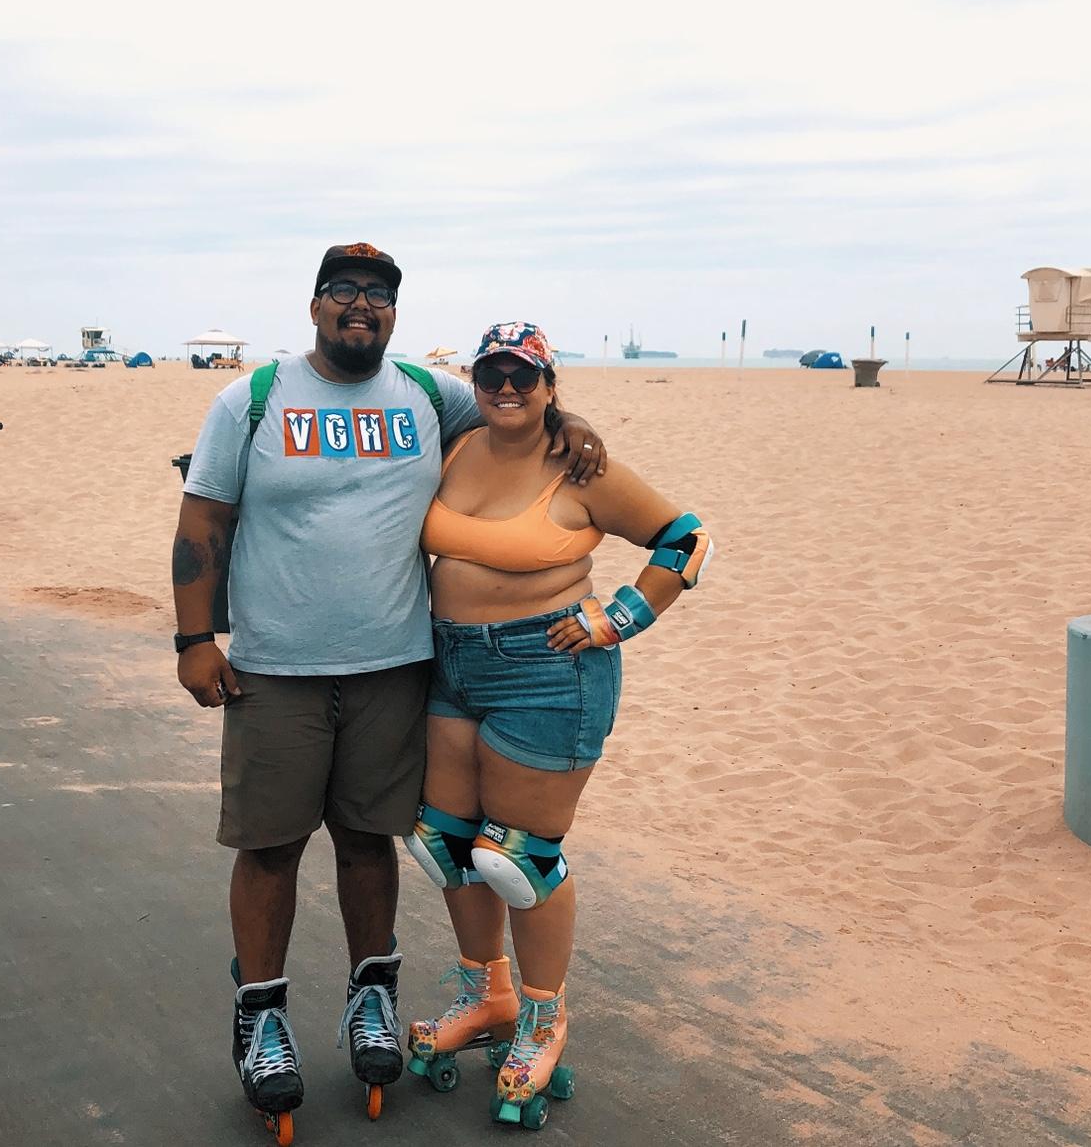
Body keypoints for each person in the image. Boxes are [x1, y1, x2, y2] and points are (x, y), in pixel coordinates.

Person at [170, 245, 607, 1134]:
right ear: (315, 307)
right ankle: (261, 1017)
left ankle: (371, 998)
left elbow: (511, 410)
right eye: (344, 293)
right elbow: (203, 518)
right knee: (268, 847)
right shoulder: (249, 399)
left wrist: (576, 423)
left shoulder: (426, 394)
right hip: (274, 673)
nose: (360, 307)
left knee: (371, 842)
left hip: (396, 670)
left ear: (395, 317)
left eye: (378, 296)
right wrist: (192, 639)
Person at [403, 321, 711, 1126]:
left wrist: (618, 618)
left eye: (524, 375)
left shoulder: (580, 464)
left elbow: (686, 538)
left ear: (549, 383)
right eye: (493, 372)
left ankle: (543, 1019)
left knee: (518, 858)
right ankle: (488, 998)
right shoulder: (459, 443)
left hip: (548, 673)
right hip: (451, 666)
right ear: (476, 379)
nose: (507, 387)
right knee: (446, 843)